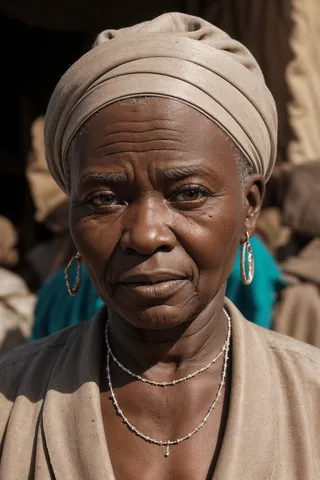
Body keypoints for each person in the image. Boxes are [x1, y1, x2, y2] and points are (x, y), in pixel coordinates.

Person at [0, 12, 319, 479]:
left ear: (249, 206)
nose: (146, 234)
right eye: (104, 198)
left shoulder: (311, 399)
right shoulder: (11, 404)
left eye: (188, 193)